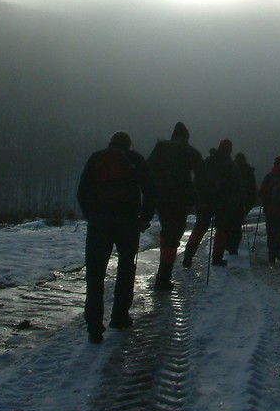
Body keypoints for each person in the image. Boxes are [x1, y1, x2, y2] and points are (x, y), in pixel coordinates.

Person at [76, 131, 155, 343]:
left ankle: (94, 326)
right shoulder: (134, 159)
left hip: (99, 223)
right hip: (128, 223)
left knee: (95, 275)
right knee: (126, 268)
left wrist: (91, 216)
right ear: (128, 145)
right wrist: (144, 219)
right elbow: (149, 190)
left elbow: (82, 191)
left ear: (109, 143)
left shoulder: (96, 158)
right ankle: (119, 317)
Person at [147, 121, 206, 290]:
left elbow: (148, 169)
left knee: (168, 233)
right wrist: (201, 195)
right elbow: (202, 175)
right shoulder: (189, 151)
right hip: (181, 200)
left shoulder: (160, 148)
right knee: (173, 236)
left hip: (162, 198)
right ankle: (163, 276)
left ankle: (163, 274)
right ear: (186, 137)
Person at [183, 138, 244, 268]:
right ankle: (217, 258)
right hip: (224, 203)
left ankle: (188, 255)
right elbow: (237, 187)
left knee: (200, 228)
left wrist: (198, 197)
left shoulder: (208, 161)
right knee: (221, 230)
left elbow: (197, 180)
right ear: (230, 150)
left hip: (205, 201)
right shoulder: (231, 166)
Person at [228, 152, 257, 255]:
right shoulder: (248, 171)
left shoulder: (231, 169)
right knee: (237, 224)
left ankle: (229, 244)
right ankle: (234, 247)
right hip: (242, 202)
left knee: (230, 224)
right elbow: (252, 188)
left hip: (231, 202)